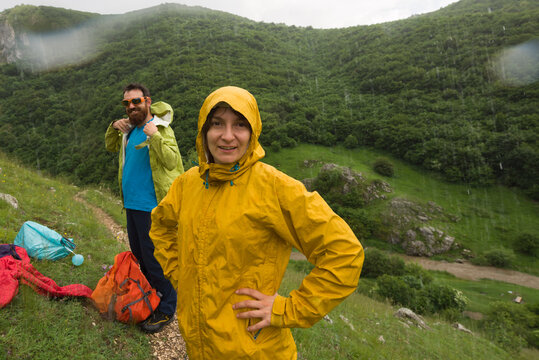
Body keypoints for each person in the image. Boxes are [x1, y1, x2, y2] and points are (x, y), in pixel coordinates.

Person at [149, 86, 364, 359]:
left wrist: (288, 309)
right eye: (217, 124)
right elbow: (161, 225)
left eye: (240, 124)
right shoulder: (188, 183)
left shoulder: (274, 188)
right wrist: (181, 275)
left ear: (253, 133)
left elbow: (345, 252)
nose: (227, 136)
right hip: (199, 343)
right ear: (204, 131)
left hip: (253, 349)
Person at [105, 83, 184, 333]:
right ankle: (152, 296)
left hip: (152, 207)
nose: (131, 107)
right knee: (140, 257)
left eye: (135, 101)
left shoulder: (159, 127)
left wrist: (155, 135)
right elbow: (110, 147)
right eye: (126, 103)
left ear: (147, 101)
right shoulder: (128, 131)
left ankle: (167, 308)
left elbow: (172, 161)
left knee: (156, 260)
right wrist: (113, 128)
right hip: (132, 206)